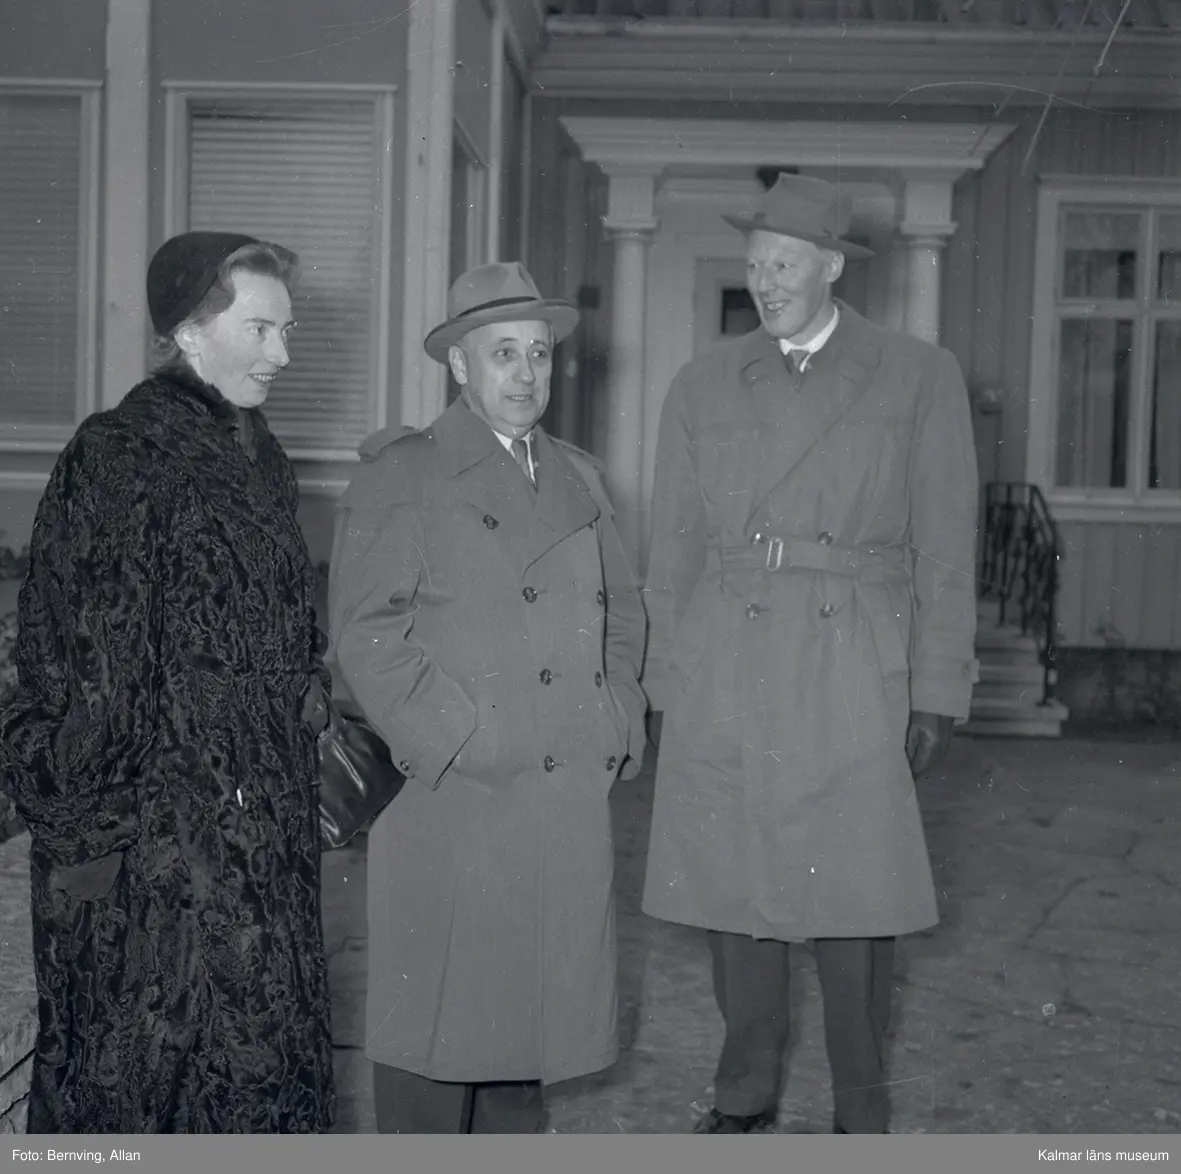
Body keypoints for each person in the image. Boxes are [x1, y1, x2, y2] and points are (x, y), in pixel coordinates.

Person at [640, 175, 979, 1135]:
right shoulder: (702, 383)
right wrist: (664, 683)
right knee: (735, 891)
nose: (765, 281)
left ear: (831, 266)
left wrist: (937, 686)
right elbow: (673, 548)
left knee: (855, 900)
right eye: (755, 264)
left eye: (784, 263)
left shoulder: (916, 375)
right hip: (729, 654)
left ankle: (860, 1106)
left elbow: (945, 548)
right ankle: (744, 1092)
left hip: (853, 658)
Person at [0, 232, 335, 1133]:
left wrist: (300, 696)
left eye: (287, 330)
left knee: (259, 1077)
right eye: (260, 329)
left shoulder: (258, 453)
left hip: (261, 842)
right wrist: (89, 842)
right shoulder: (117, 455)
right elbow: (80, 665)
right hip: (158, 861)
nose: (282, 353)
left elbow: (275, 629)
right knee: (155, 1088)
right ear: (189, 333)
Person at [329, 261, 648, 1134]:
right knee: (434, 1042)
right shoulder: (405, 473)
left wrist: (615, 717)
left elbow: (623, 612)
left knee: (523, 1044)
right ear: (459, 364)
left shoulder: (578, 476)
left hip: (560, 799)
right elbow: (363, 631)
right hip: (454, 798)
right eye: (502, 353)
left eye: (538, 354)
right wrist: (455, 737)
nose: (525, 374)